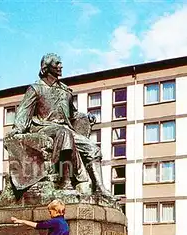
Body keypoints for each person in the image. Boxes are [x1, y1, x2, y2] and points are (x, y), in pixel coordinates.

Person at [6, 53, 113, 198]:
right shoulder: (36, 88)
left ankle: (100, 189)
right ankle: (65, 182)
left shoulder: (65, 90)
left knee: (94, 150)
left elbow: (72, 114)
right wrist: (17, 129)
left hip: (65, 128)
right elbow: (24, 111)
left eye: (60, 63)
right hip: (44, 128)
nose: (61, 66)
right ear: (46, 67)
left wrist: (86, 117)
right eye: (57, 63)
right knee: (64, 133)